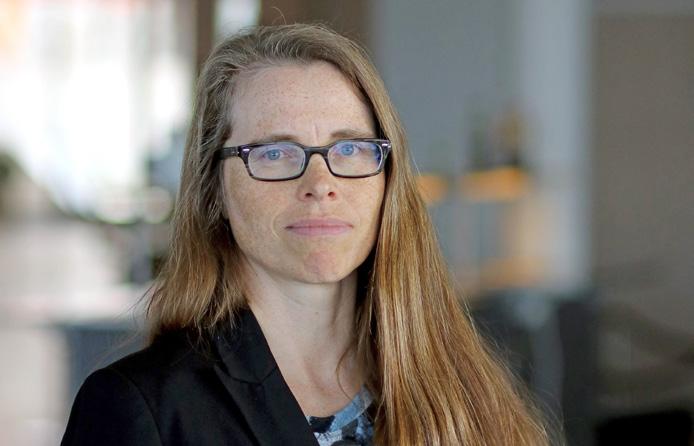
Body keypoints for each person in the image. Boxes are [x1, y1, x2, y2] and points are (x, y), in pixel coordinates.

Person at [62, 23, 550, 445]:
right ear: (214, 191)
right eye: (275, 153)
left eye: (350, 149)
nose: (321, 183)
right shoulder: (142, 408)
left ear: (388, 178)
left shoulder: (465, 391)